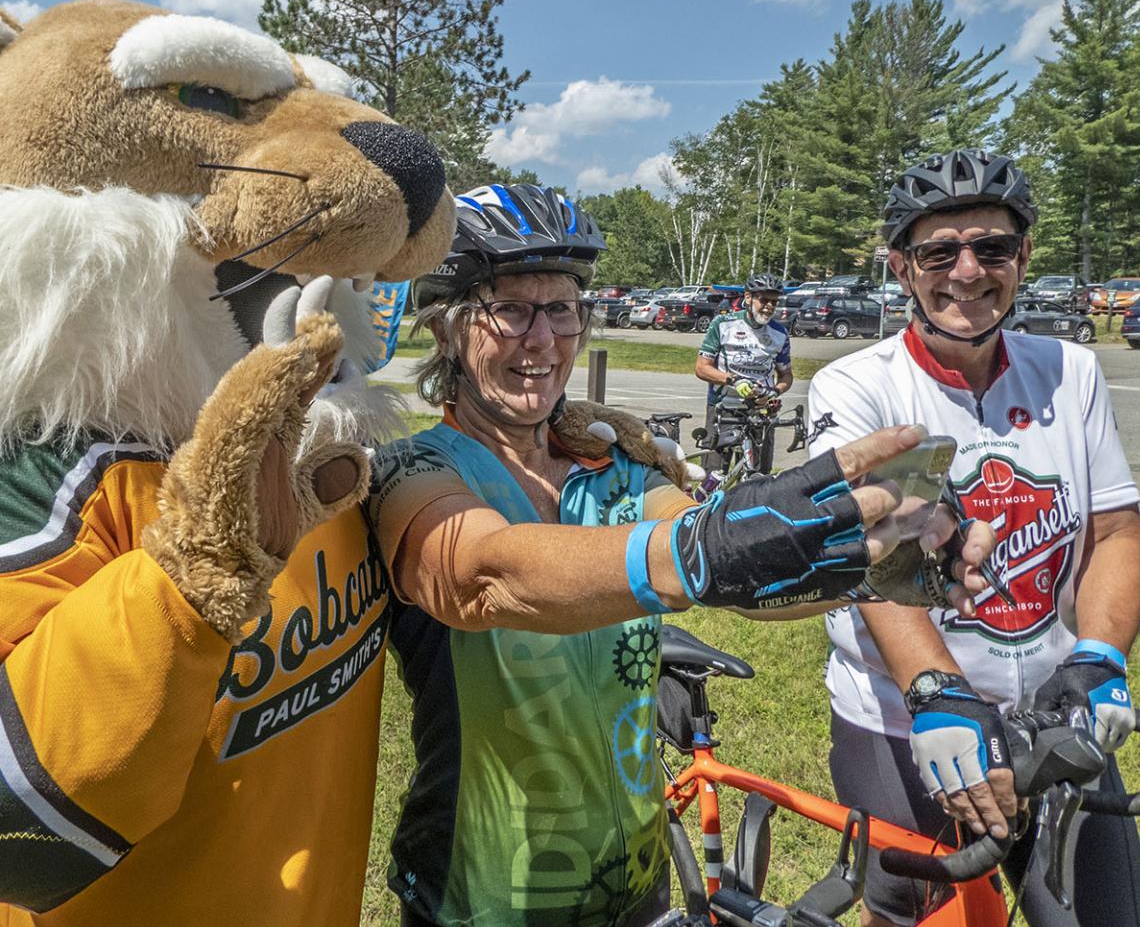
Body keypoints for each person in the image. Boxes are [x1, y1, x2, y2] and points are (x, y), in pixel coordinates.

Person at [365, 184, 995, 926]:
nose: (542, 340)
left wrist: (871, 560)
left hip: (633, 879)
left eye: (561, 308)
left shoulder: (617, 469)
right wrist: (705, 547)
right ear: (445, 330)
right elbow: (482, 572)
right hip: (479, 897)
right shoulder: (414, 470)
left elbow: (722, 567)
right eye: (510, 308)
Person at [806, 149, 1140, 927]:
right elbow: (882, 560)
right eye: (939, 252)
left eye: (992, 248)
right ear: (901, 268)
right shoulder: (864, 385)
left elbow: (1116, 532)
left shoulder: (1071, 370)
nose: (967, 272)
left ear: (1022, 258)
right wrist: (937, 690)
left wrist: (1099, 657)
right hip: (907, 718)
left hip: (1059, 712)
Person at [694, 274, 792, 471]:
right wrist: (733, 380)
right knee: (713, 474)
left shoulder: (780, 334)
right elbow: (702, 367)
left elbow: (786, 376)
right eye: (764, 300)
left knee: (758, 476)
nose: (769, 306)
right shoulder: (723, 324)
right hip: (724, 407)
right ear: (748, 298)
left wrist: (773, 392)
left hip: (760, 411)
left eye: (774, 301)